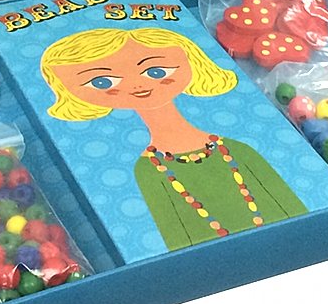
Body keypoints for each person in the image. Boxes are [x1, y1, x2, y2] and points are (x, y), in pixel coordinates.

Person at [41, 27, 307, 250]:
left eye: (156, 71)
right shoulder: (149, 169)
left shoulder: (237, 150)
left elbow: (296, 209)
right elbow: (175, 239)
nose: (136, 85)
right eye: (102, 82)